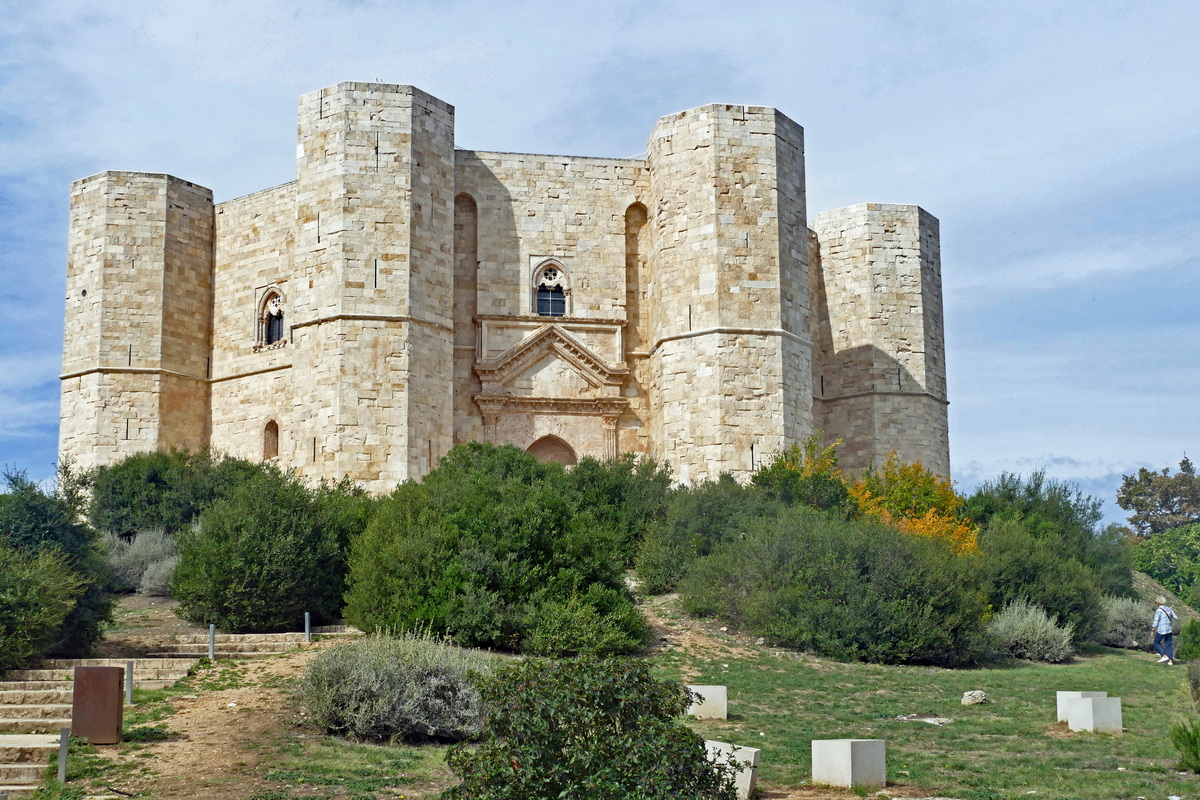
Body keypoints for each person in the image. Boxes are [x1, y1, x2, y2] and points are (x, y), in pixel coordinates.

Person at [1152, 596, 1178, 665]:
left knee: (1156, 642)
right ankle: (1170, 661)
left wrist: (1152, 630)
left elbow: (1156, 621)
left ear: (1158, 602)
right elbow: (1175, 617)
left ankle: (1164, 655)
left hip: (1161, 629)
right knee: (1168, 645)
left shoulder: (1159, 610)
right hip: (1169, 630)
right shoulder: (1169, 609)